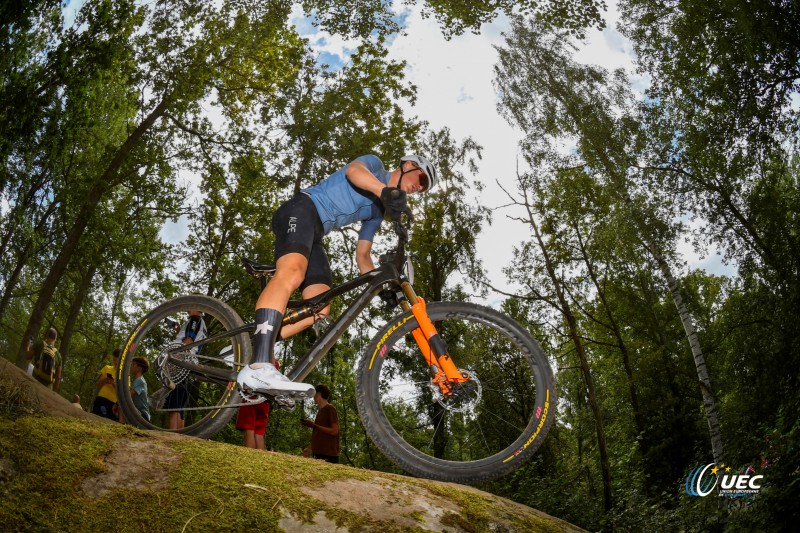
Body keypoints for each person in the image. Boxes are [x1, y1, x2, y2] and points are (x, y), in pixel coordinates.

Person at [237, 154, 437, 404]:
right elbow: (353, 172)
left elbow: (363, 256)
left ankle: (255, 341)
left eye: (423, 188)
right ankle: (259, 365)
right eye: (421, 179)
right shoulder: (375, 167)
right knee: (292, 272)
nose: (419, 187)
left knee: (319, 308)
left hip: (317, 232)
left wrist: (383, 287)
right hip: (302, 209)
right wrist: (384, 190)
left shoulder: (377, 212)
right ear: (408, 165)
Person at [165, 310, 206, 429]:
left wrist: (175, 356)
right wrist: (179, 331)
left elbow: (188, 341)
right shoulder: (201, 323)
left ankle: (171, 436)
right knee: (179, 404)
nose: (188, 307)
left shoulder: (195, 319)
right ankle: (179, 436)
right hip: (191, 364)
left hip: (183, 363)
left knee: (174, 405)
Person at [236, 360, 280, 450]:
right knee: (259, 434)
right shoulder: (275, 364)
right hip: (265, 402)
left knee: (249, 429)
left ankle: (249, 458)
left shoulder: (256, 358)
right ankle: (260, 461)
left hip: (251, 398)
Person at [302, 384, 340, 463]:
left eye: (314, 394)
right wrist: (309, 448)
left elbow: (334, 431)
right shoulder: (320, 412)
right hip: (318, 454)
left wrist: (313, 425)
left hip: (329, 456)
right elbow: (318, 432)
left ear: (318, 394)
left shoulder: (330, 409)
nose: (313, 397)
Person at [91, 349, 120, 420]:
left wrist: (113, 383)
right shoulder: (107, 368)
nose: (115, 362)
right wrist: (104, 379)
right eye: (114, 360)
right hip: (101, 398)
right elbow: (98, 386)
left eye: (117, 360)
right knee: (94, 418)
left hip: (113, 403)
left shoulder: (125, 375)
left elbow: (122, 394)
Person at [128, 357, 150, 422]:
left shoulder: (140, 380)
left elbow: (128, 395)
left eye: (133, 364)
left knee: (121, 407)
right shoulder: (139, 380)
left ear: (139, 368)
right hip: (139, 414)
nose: (131, 366)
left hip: (142, 415)